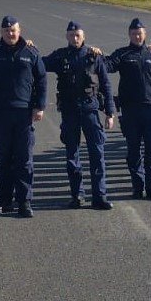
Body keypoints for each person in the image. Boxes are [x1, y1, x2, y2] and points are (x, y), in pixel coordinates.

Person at [0, 16, 48, 218]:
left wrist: (40, 106)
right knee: (4, 159)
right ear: (1, 32)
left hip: (24, 114)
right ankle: (5, 201)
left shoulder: (31, 53)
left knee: (24, 159)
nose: (10, 34)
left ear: (19, 30)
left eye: (13, 30)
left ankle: (24, 201)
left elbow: (41, 80)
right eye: (6, 31)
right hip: (1, 114)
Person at [43, 21, 115, 210]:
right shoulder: (60, 56)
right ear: (67, 36)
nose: (75, 38)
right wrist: (28, 45)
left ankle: (99, 196)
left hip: (90, 111)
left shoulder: (94, 56)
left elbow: (106, 85)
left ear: (83, 36)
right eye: (71, 35)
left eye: (78, 35)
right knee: (72, 155)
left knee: (97, 154)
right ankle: (77, 195)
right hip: (70, 112)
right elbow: (39, 64)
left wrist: (110, 112)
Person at [102, 18, 151, 201]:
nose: (137, 36)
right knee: (133, 152)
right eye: (134, 33)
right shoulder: (123, 54)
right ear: (129, 35)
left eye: (140, 33)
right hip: (131, 112)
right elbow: (107, 65)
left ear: (145, 34)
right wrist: (94, 54)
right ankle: (137, 186)